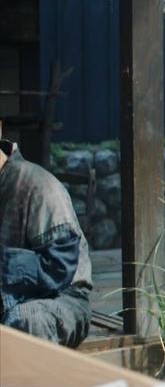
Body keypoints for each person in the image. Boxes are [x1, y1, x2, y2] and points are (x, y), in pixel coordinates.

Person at [0, 136, 93, 348]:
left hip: (61, 299)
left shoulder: (38, 184)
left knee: (26, 320)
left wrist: (5, 265)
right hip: (7, 302)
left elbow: (61, 267)